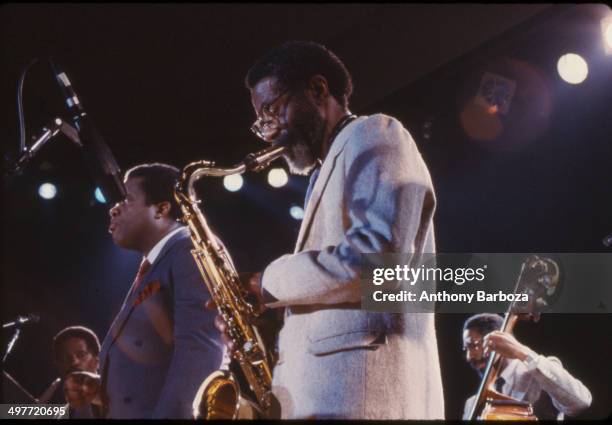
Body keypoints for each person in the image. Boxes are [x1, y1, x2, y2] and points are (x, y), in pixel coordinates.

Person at [214, 41, 445, 419]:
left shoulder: (375, 133)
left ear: (318, 89)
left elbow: (376, 263)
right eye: (262, 122)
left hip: (367, 400)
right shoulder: (326, 169)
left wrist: (265, 283)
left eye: (272, 111)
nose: (270, 132)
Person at [64, 163, 225, 418]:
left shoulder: (189, 250)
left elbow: (199, 351)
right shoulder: (156, 263)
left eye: (127, 199)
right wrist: (102, 387)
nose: (114, 208)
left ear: (161, 209)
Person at [461, 313, 592, 420]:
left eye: (473, 345)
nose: (469, 357)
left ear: (498, 341)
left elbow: (581, 402)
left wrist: (523, 352)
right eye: (466, 348)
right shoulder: (472, 404)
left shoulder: (539, 373)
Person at [38, 326, 101, 418]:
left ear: (96, 361)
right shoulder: (57, 389)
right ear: (60, 366)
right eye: (66, 358)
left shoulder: (111, 392)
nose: (74, 362)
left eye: (81, 355)